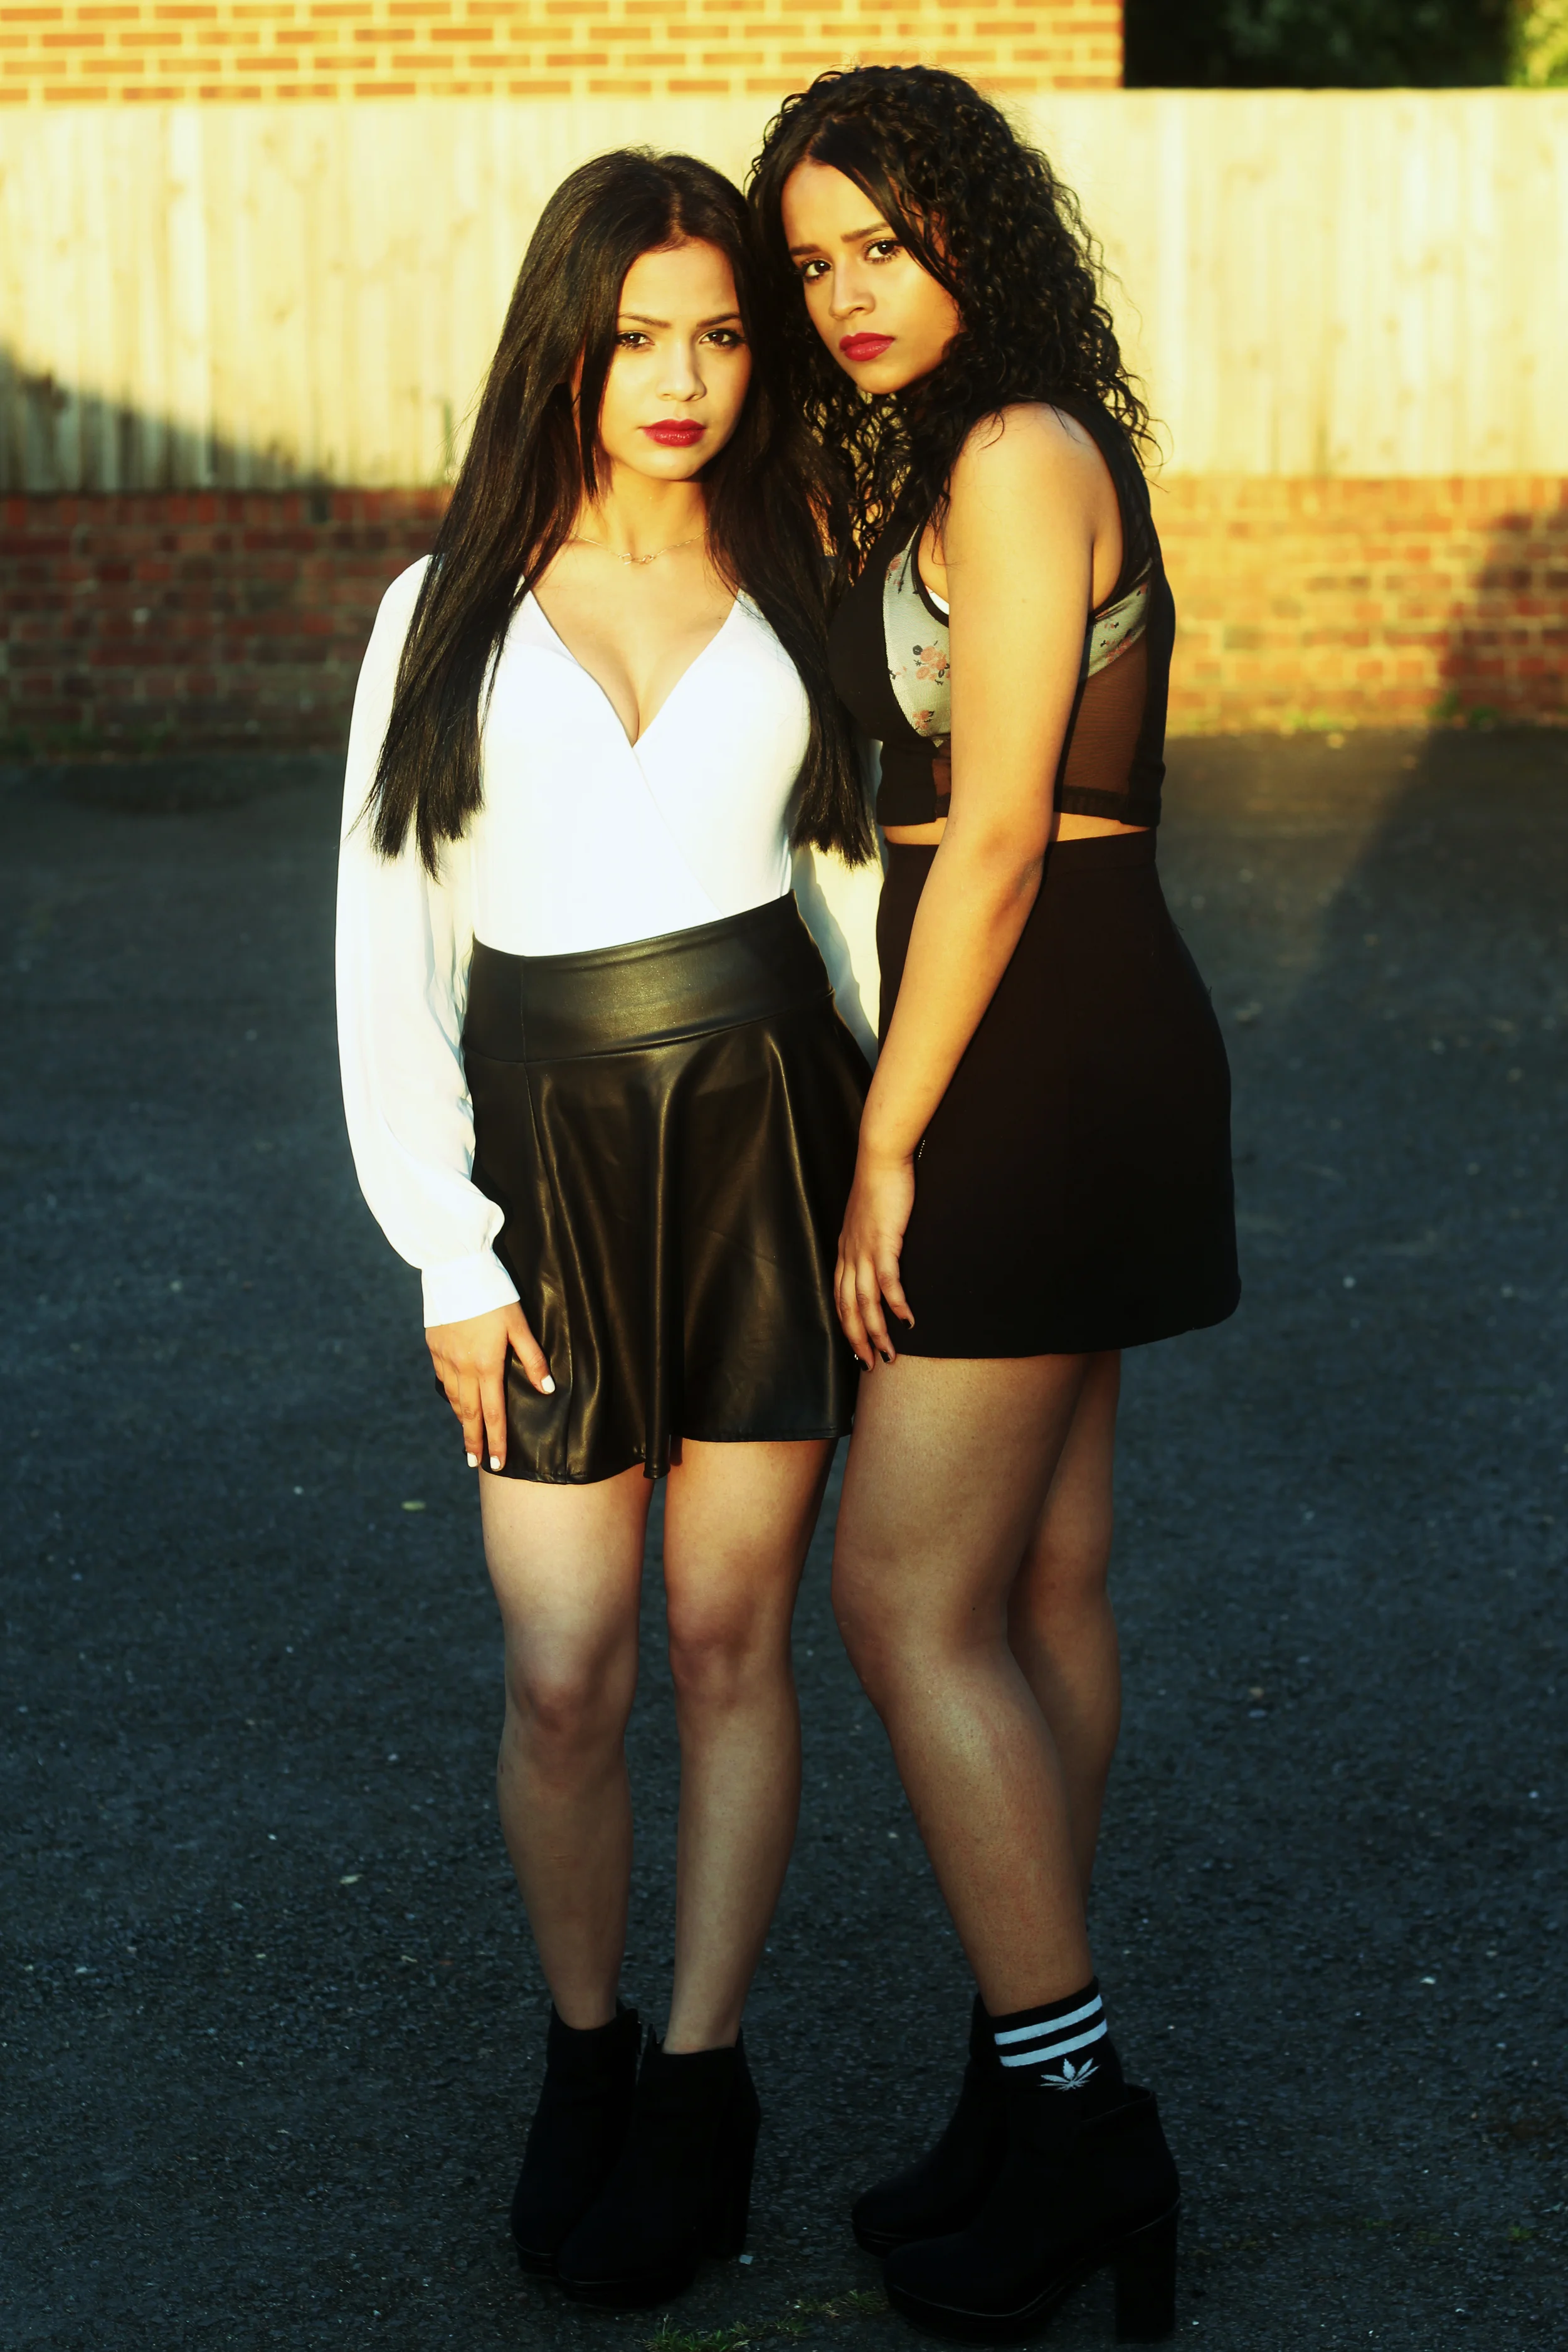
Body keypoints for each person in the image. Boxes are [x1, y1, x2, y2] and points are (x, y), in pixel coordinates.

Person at [335, 149, 873, 2311]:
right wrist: (445, 1250)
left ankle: (701, 2079)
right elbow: (387, 945)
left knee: (734, 1640)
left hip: (769, 1143)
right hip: (537, 1169)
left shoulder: (803, 574)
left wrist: (903, 1165)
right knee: (565, 1663)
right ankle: (583, 2051)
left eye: (722, 333)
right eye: (640, 334)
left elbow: (853, 906)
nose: (682, 376)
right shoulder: (441, 605)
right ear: (567, 342)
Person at [753, 66, 1240, 2342]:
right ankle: (1016, 2078)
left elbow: (1007, 827)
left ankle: (1079, 2122)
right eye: (812, 262)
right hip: (1061, 1025)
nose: (846, 293)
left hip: (1031, 1039)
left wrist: (886, 1137)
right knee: (1036, 1580)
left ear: (975, 229)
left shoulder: (1021, 455)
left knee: (897, 1596)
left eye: (883, 241)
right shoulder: (978, 445)